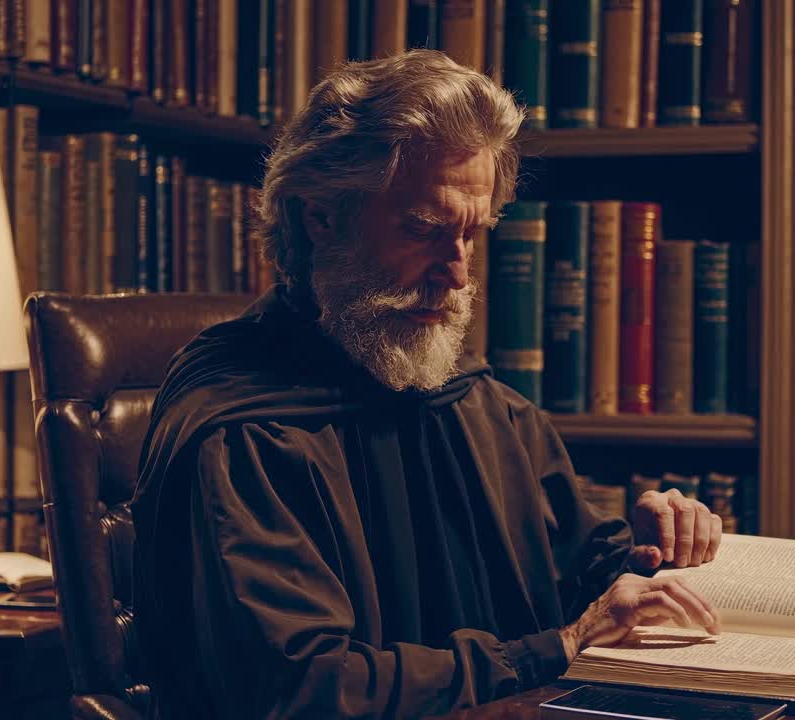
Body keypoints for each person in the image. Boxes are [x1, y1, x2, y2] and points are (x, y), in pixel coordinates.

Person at [132, 49, 722, 719]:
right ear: (320, 217)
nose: (458, 272)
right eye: (424, 230)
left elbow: (580, 571)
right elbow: (305, 690)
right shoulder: (248, 435)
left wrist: (650, 554)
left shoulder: (483, 406)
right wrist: (558, 647)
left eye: (472, 235)